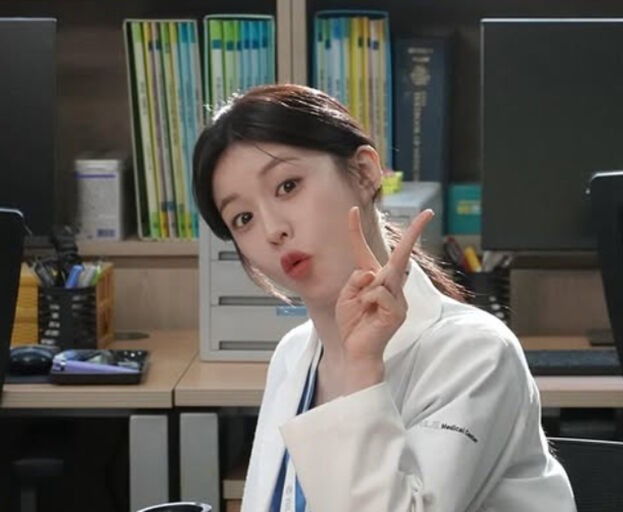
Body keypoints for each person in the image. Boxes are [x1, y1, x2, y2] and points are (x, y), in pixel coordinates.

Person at [192, 84, 576, 512]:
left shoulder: (476, 352)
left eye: (288, 186)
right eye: (242, 218)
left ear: (364, 172)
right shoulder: (293, 355)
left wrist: (360, 369)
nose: (271, 230)